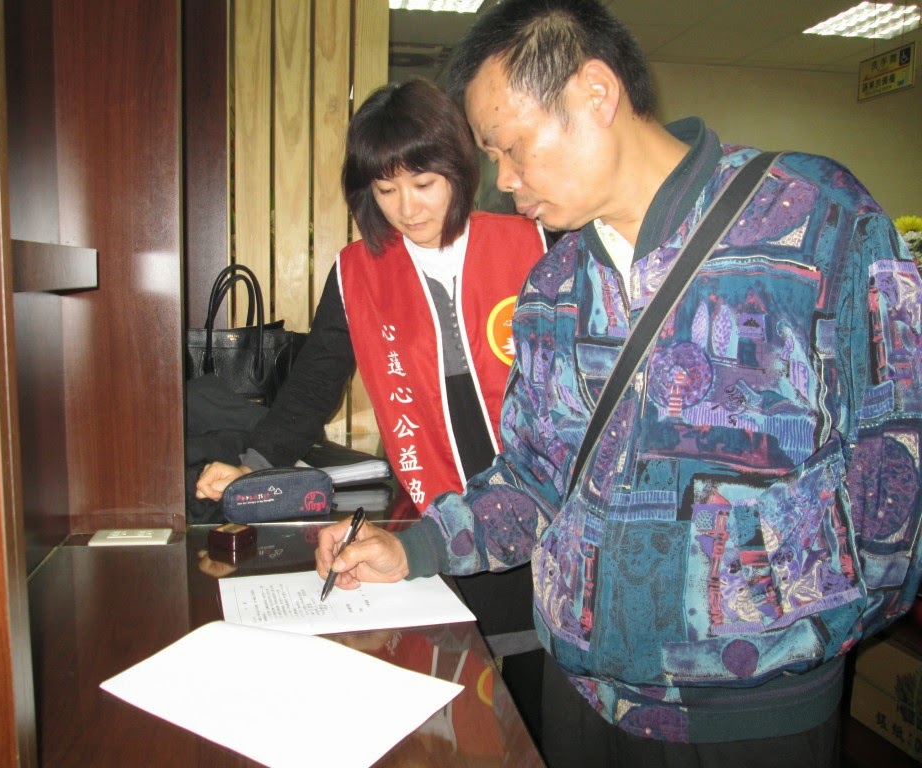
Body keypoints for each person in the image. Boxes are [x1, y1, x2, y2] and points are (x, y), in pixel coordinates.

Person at [313, 2, 922, 766]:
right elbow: (536, 478)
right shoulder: (554, 287)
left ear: (595, 93)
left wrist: (754, 605)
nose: (503, 179)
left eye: (511, 148)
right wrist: (417, 547)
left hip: (755, 714)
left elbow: (899, 460)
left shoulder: (814, 217)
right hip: (581, 698)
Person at [193, 77, 548, 735]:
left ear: (459, 169)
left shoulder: (533, 244)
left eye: (424, 183)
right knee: (456, 693)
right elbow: (314, 382)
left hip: (538, 508)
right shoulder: (358, 271)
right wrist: (253, 466)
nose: (407, 208)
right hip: (436, 506)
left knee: (533, 694)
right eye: (385, 191)